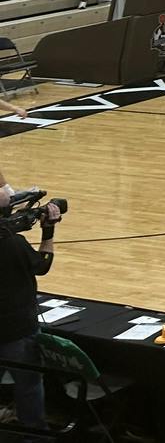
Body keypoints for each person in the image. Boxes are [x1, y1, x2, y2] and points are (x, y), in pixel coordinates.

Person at [0, 175, 62, 434]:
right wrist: (48, 231)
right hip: (17, 331)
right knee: (29, 385)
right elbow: (42, 265)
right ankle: (34, 436)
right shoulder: (14, 244)